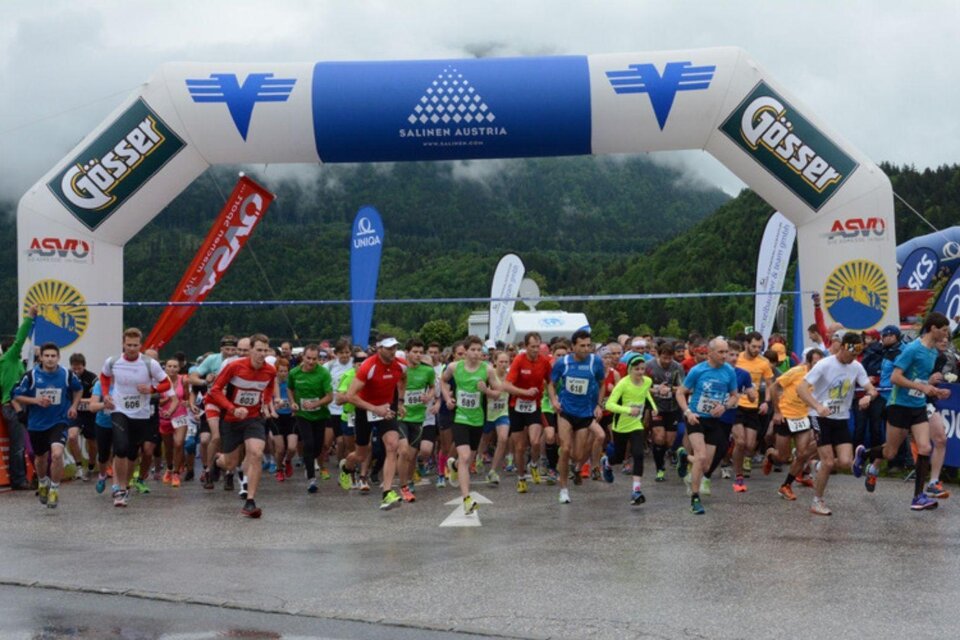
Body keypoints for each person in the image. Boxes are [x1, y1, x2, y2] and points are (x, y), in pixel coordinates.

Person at [854, 313, 952, 511]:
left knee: (925, 448)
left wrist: (934, 390)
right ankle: (864, 454)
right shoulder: (913, 349)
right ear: (933, 328)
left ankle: (918, 497)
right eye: (943, 330)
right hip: (899, 405)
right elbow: (895, 378)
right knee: (890, 452)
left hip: (918, 407)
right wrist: (922, 387)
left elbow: (922, 380)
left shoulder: (933, 352)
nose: (946, 334)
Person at [797, 333, 878, 516]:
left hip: (841, 418)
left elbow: (871, 389)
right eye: (850, 355)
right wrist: (817, 406)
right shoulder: (825, 364)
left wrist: (868, 396)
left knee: (844, 462)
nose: (852, 359)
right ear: (841, 348)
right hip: (820, 417)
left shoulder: (856, 366)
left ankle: (816, 466)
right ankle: (817, 501)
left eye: (856, 355)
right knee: (828, 461)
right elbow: (801, 388)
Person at [207, 333, 277, 518]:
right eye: (258, 350)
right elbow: (214, 391)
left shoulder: (270, 370)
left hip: (254, 419)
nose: (262, 354)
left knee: (256, 453)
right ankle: (217, 461)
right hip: (231, 420)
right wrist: (232, 408)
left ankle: (250, 501)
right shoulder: (234, 367)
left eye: (265, 350)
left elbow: (269, 387)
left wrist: (266, 402)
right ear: (251, 350)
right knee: (230, 463)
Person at [99, 328, 170, 508]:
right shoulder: (113, 361)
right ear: (123, 344)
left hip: (141, 414)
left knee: (132, 453)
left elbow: (166, 383)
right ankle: (119, 489)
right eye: (128, 345)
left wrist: (152, 390)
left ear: (141, 345)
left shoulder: (149, 363)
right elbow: (104, 377)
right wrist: (106, 394)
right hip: (119, 409)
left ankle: (126, 485)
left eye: (135, 345)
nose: (132, 349)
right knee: (121, 448)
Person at [341, 336, 408, 511]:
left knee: (392, 445)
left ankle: (387, 493)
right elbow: (350, 396)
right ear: (379, 349)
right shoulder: (368, 367)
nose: (392, 351)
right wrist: (374, 408)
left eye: (395, 347)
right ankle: (346, 467)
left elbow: (403, 379)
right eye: (388, 348)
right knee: (361, 456)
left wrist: (400, 402)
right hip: (364, 410)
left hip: (386, 409)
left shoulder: (401, 364)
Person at [13, 342, 82, 509]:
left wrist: (73, 406)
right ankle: (43, 481)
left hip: (59, 421)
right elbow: (16, 395)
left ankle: (55, 489)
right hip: (37, 424)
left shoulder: (66, 374)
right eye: (47, 356)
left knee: (57, 454)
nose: (50, 359)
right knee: (41, 458)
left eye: (53, 356)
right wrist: (35, 400)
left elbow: (78, 389)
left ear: (58, 357)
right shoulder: (31, 376)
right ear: (41, 358)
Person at [675, 337, 739, 515]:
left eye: (726, 352)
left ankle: (684, 456)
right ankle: (695, 498)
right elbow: (680, 393)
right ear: (710, 353)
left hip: (713, 421)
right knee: (701, 457)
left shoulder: (729, 372)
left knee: (705, 466)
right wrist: (688, 412)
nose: (725, 356)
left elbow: (735, 395)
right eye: (721, 352)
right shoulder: (698, 370)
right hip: (696, 418)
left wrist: (725, 406)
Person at [441, 335, 503, 515]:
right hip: (460, 418)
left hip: (477, 419)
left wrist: (487, 391)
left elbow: (499, 393)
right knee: (465, 455)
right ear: (466, 351)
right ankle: (467, 499)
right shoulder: (454, 367)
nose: (476, 353)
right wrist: (447, 398)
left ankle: (454, 466)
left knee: (467, 460)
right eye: (473, 350)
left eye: (479, 350)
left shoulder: (488, 370)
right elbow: (443, 381)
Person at [548, 330, 606, 505]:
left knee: (578, 454)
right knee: (565, 448)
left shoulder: (595, 362)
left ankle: (576, 467)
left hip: (585, 413)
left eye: (589, 345)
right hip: (566, 411)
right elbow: (550, 383)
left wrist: (598, 404)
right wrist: (553, 400)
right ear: (573, 346)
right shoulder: (563, 362)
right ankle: (563, 489)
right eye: (582, 346)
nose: (586, 349)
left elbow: (602, 384)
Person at [765, 348, 823, 501]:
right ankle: (771, 454)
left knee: (803, 454)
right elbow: (774, 387)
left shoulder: (821, 377)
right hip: (785, 416)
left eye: (821, 363)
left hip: (803, 417)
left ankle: (786, 486)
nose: (818, 366)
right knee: (783, 457)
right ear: (808, 362)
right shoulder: (796, 372)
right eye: (815, 363)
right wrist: (777, 412)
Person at [603, 353, 657, 505]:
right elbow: (609, 405)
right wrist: (627, 410)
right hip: (620, 426)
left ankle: (636, 490)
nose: (640, 372)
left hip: (636, 424)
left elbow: (646, 393)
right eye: (637, 369)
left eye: (642, 369)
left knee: (638, 454)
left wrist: (653, 407)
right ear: (629, 370)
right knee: (619, 458)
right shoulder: (623, 384)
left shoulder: (647, 381)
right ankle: (607, 462)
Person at [188, 336, 238, 490]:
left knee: (229, 440)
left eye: (232, 349)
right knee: (215, 437)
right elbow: (192, 378)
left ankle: (229, 473)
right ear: (220, 348)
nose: (230, 352)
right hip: (213, 401)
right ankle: (208, 471)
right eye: (226, 349)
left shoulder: (238, 361)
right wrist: (205, 381)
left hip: (230, 403)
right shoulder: (212, 360)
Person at [505, 332, 552, 494]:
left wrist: (554, 400)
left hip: (534, 406)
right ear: (525, 347)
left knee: (535, 441)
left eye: (538, 347)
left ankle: (533, 464)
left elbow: (550, 382)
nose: (535, 350)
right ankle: (521, 478)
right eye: (532, 347)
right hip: (516, 406)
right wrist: (524, 392)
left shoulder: (544, 362)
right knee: (519, 447)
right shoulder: (519, 360)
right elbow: (507, 386)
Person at [287, 345, 334, 495]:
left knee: (318, 447)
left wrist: (316, 404)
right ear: (303, 357)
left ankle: (310, 463)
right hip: (303, 414)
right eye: (308, 358)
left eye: (315, 359)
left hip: (320, 414)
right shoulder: (294, 373)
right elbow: (290, 388)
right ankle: (311, 478)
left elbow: (329, 396)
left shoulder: (323, 373)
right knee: (308, 443)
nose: (311, 362)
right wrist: (292, 402)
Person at [732, 332, 775, 493]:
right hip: (736, 405)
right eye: (754, 346)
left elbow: (770, 384)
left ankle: (740, 458)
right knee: (741, 442)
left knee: (750, 445)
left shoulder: (763, 363)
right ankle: (738, 475)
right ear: (746, 344)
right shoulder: (737, 359)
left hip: (753, 406)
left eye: (760, 347)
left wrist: (766, 402)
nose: (757, 349)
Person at [0, 305, 37, 490]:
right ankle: (19, 480)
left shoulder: (15, 365)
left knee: (28, 444)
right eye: (17, 348)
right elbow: (20, 338)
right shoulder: (9, 359)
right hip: (12, 407)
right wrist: (30, 318)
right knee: (18, 446)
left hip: (22, 405)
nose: (20, 350)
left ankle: (30, 476)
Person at [397, 339, 435, 501]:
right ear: (407, 352)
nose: (418, 355)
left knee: (412, 455)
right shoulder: (400, 369)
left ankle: (409, 480)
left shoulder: (427, 371)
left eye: (421, 352)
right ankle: (403, 486)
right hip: (401, 416)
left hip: (418, 417)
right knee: (404, 451)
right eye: (415, 352)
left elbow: (433, 387)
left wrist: (428, 396)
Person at [645, 342, 685, 481]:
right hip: (656, 407)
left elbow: (683, 388)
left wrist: (670, 389)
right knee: (659, 437)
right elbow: (642, 386)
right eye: (664, 358)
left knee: (669, 441)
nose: (667, 361)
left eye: (670, 358)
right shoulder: (649, 366)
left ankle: (672, 453)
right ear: (658, 354)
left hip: (672, 408)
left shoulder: (677, 367)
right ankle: (660, 469)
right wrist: (656, 389)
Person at [67, 353, 99, 482]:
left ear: (84, 366)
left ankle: (91, 467)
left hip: (90, 413)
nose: (76, 371)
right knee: (72, 436)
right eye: (74, 368)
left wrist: (78, 400)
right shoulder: (67, 376)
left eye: (79, 368)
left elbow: (93, 399)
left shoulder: (92, 378)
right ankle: (79, 467)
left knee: (92, 443)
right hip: (75, 412)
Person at [157, 358, 187, 487]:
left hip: (180, 415)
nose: (172, 369)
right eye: (169, 366)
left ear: (179, 368)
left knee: (179, 443)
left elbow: (187, 395)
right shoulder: (159, 381)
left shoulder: (183, 380)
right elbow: (156, 401)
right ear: (165, 368)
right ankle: (169, 468)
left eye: (175, 366)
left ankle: (176, 472)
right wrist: (167, 400)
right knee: (168, 447)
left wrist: (189, 403)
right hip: (164, 416)